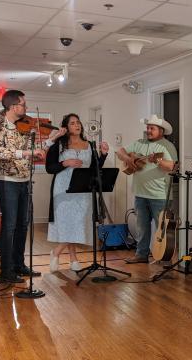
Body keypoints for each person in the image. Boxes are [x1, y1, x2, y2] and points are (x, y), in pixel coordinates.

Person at [0, 90, 65, 283]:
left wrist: (52, 139)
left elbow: (32, 150)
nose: (27, 108)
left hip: (24, 178)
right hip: (6, 179)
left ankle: (18, 265)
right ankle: (6, 271)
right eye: (24, 104)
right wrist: (25, 155)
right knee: (9, 225)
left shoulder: (25, 125)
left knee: (23, 224)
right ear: (13, 106)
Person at [45, 113, 109, 272]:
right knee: (68, 223)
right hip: (63, 189)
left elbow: (95, 168)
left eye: (78, 122)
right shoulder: (59, 144)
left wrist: (103, 155)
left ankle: (56, 252)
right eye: (73, 123)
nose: (77, 125)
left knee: (77, 222)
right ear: (66, 127)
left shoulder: (90, 144)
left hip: (83, 189)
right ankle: (73, 259)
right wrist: (65, 162)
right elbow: (49, 168)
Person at [116, 114, 177, 264]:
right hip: (140, 193)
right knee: (142, 227)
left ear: (161, 131)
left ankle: (165, 258)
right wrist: (128, 159)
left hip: (160, 195)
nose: (149, 130)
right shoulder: (139, 143)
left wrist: (157, 160)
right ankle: (141, 255)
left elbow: (172, 167)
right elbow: (120, 151)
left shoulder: (167, 146)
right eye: (148, 128)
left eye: (152, 128)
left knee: (162, 228)